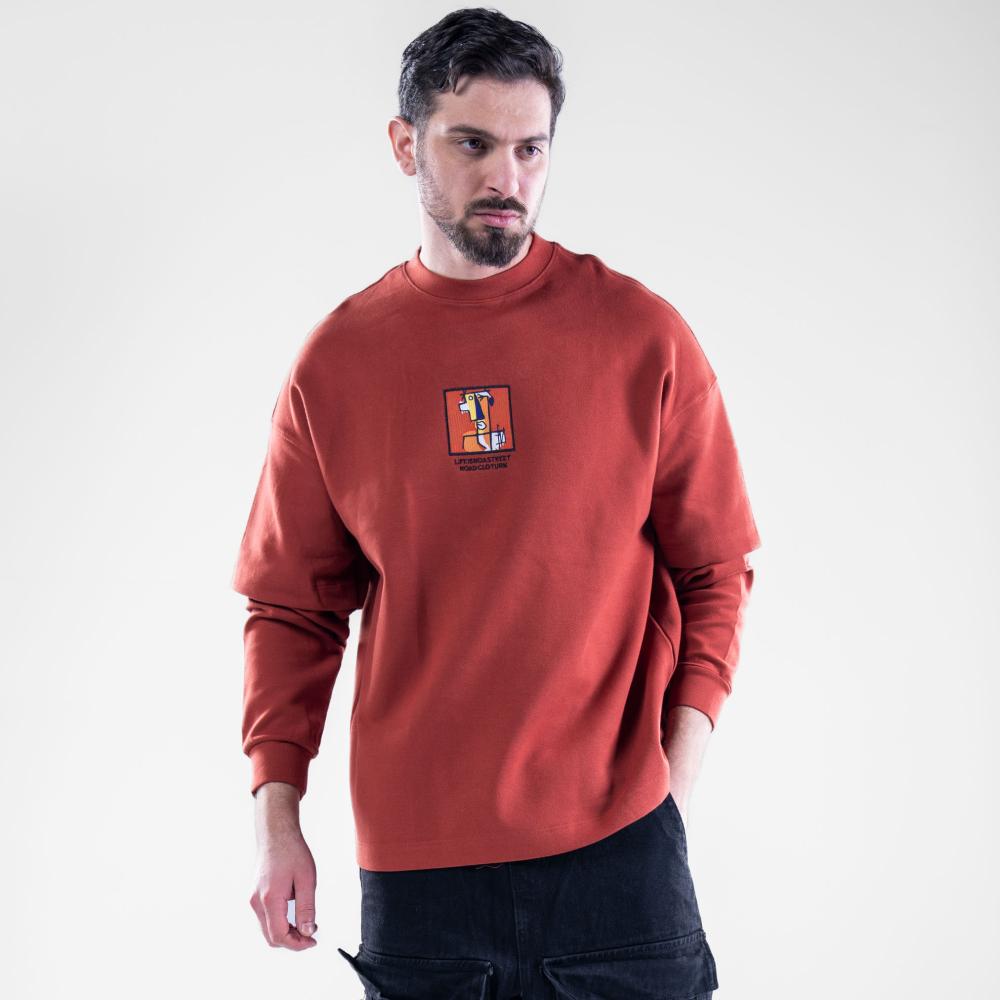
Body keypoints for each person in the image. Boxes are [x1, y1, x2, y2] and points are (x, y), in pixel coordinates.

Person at [232, 8, 761, 998]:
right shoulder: (338, 362)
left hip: (622, 853)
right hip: (419, 871)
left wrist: (674, 790)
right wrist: (277, 822)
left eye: (530, 149)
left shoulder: (640, 335)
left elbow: (715, 570)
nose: (506, 178)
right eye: (471, 144)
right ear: (406, 145)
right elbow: (291, 608)